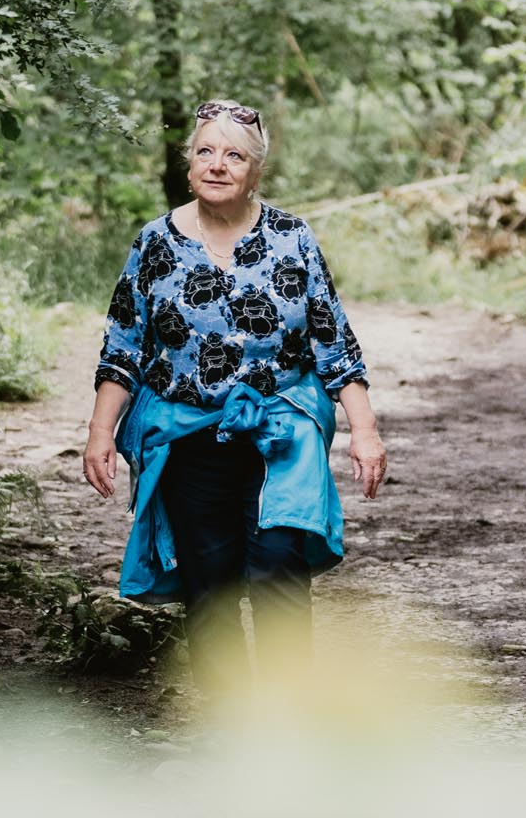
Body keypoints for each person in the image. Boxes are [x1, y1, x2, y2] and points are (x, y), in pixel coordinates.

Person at [83, 99, 387, 696]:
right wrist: (100, 433)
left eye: (234, 155)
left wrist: (365, 430)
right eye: (205, 152)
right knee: (210, 582)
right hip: (187, 435)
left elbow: (334, 340)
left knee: (279, 565)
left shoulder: (291, 238)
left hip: (282, 433)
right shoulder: (155, 244)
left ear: (255, 171)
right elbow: (122, 346)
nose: (217, 165)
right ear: (188, 163)